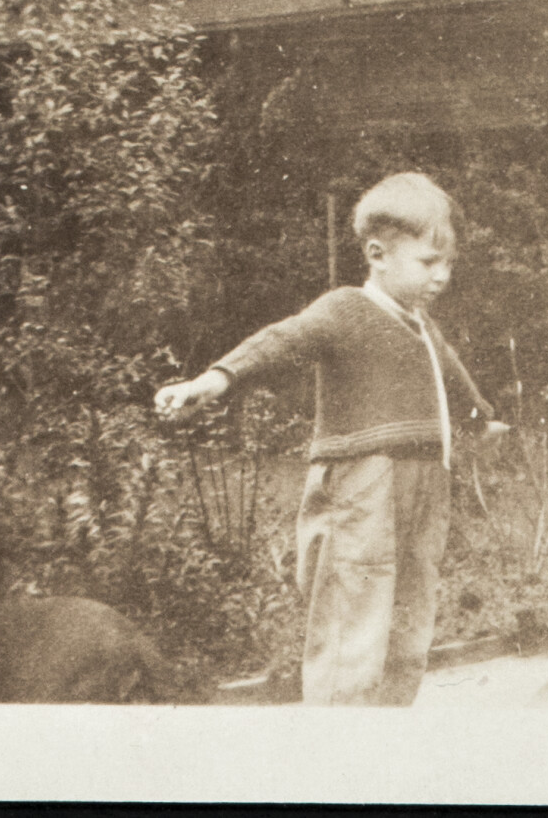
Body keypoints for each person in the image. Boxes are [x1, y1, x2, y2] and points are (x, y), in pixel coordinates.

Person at [153, 172, 505, 705]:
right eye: (430, 263)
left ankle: (385, 730)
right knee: (353, 616)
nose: (442, 277)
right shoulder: (345, 310)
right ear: (377, 253)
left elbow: (453, 378)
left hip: (424, 482)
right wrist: (217, 378)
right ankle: (338, 743)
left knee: (408, 618)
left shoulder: (421, 325)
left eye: (450, 264)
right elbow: (286, 339)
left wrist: (481, 419)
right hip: (364, 485)